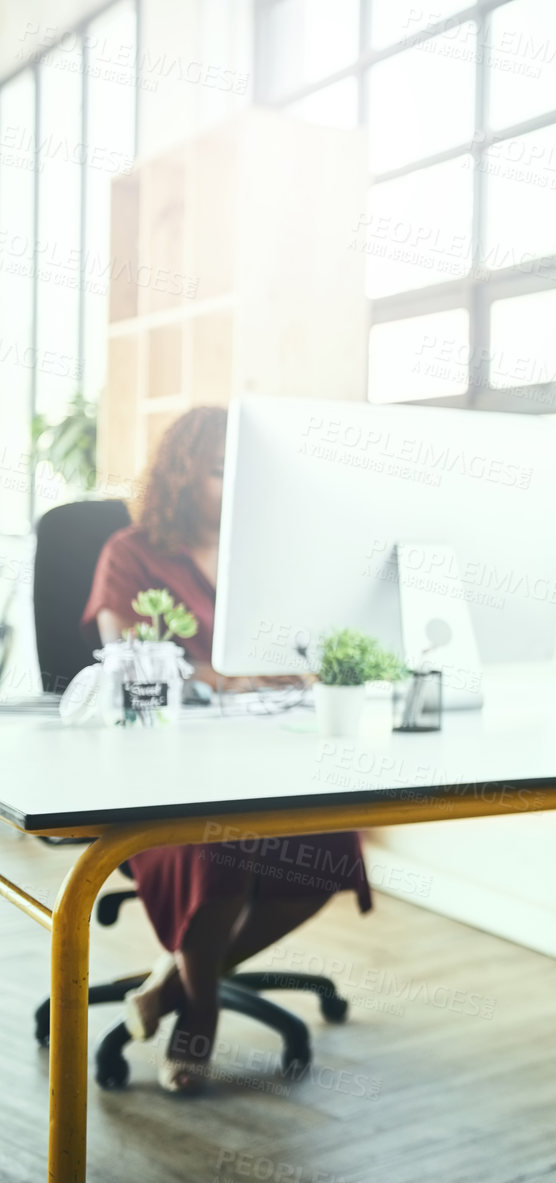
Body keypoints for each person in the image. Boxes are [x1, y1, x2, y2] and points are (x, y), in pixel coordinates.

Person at [80, 405, 372, 1094]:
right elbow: (125, 661)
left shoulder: (267, 554)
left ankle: (169, 985)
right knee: (219, 850)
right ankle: (198, 1013)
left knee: (333, 846)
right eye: (217, 472)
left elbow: (301, 646)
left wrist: (295, 667)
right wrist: (220, 677)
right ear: (182, 475)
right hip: (160, 775)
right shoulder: (129, 551)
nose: (231, 486)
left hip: (264, 758)